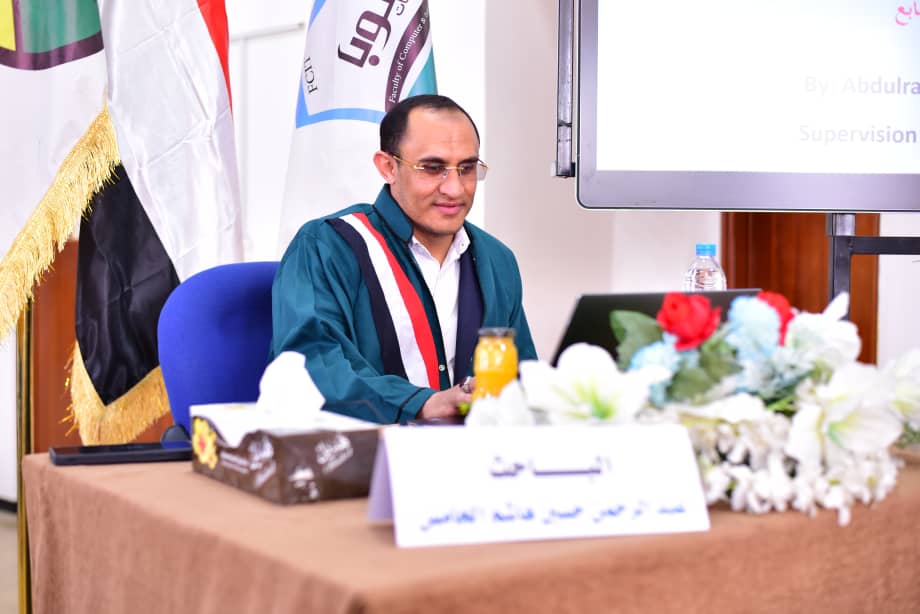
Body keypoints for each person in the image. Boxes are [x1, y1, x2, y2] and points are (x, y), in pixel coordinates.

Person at [269, 94, 537, 423]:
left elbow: (521, 378)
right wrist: (422, 403)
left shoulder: (496, 259)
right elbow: (311, 366)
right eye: (433, 168)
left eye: (467, 168)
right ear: (388, 167)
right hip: (364, 449)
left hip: (474, 450)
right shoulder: (327, 246)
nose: (455, 189)